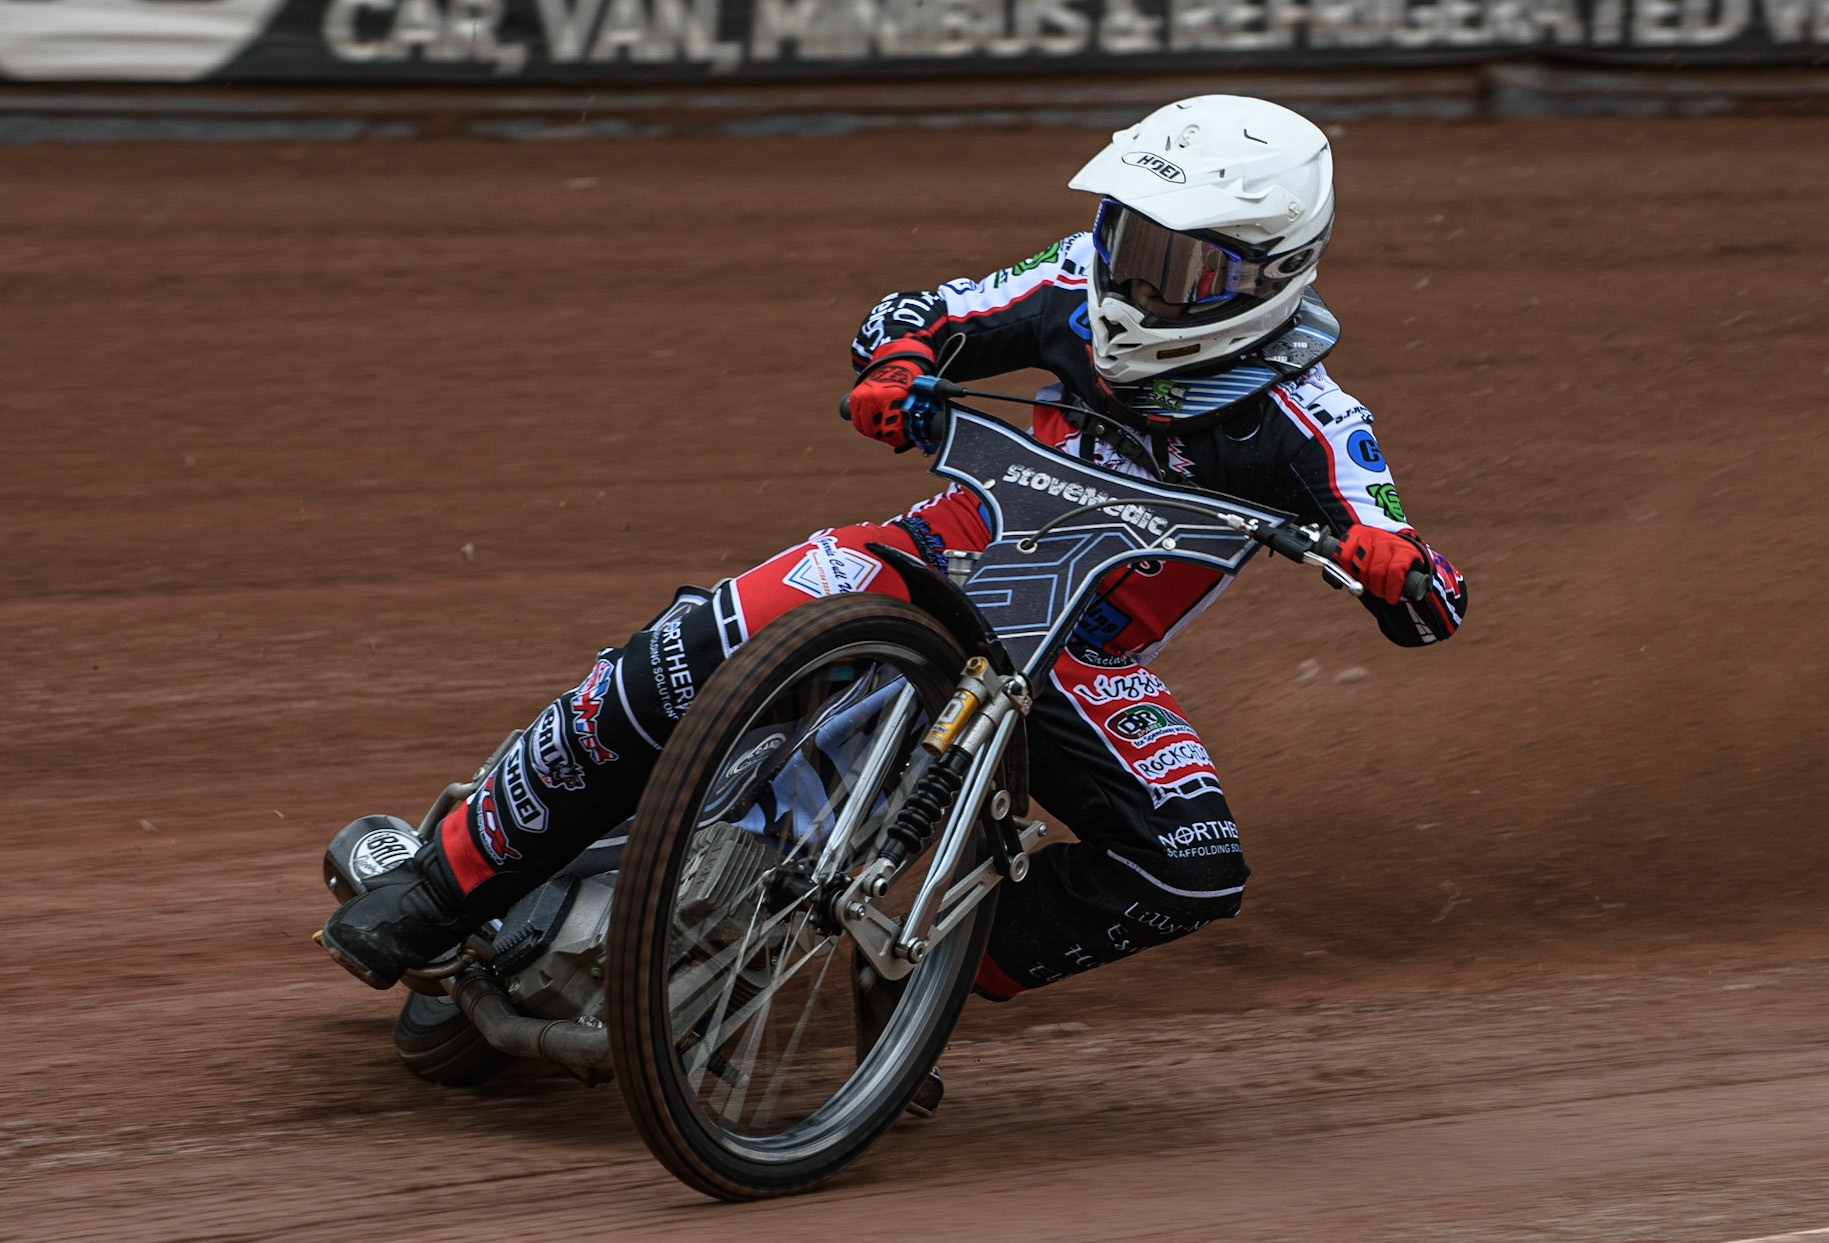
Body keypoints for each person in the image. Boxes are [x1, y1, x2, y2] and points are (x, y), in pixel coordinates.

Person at [322, 95, 1467, 1017]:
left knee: (1192, 864)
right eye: (1129, 237)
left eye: (1183, 267)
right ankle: (437, 883)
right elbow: (924, 312)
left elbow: (1432, 595)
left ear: (1271, 273)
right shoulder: (1074, 280)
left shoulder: (1318, 419)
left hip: (1081, 661)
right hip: (920, 563)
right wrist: (899, 364)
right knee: (683, 653)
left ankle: (924, 980)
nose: (1135, 279)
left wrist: (1391, 563)